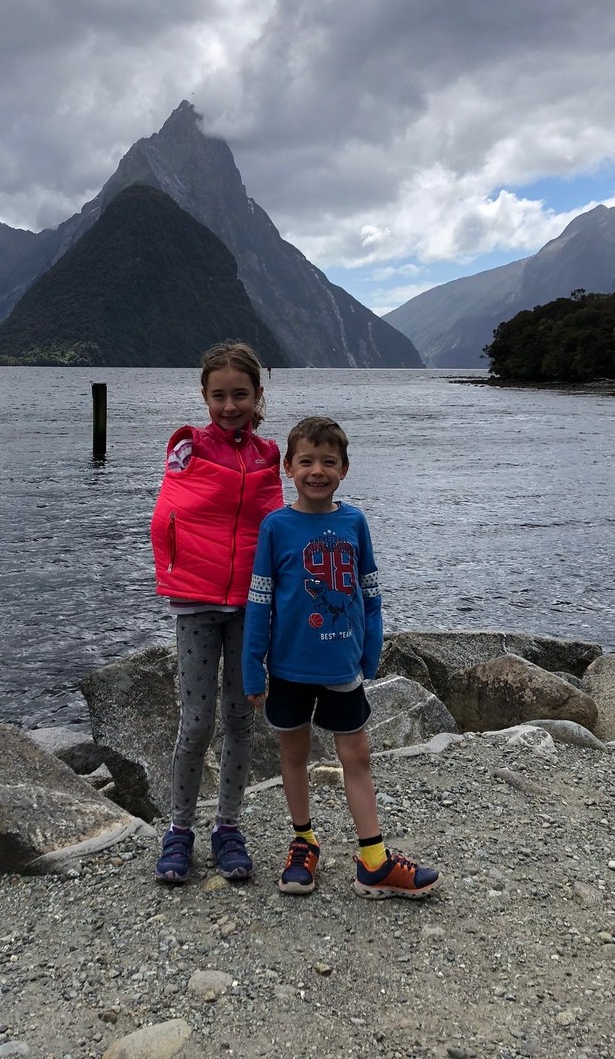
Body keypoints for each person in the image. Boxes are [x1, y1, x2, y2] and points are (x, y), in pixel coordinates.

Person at [242, 415, 441, 899]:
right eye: (306, 461)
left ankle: (373, 860)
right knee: (294, 753)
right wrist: (253, 664)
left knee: (357, 755)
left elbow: (369, 590)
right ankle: (304, 841)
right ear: (288, 466)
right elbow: (259, 599)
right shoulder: (275, 526)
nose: (317, 470)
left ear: (344, 469)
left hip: (342, 666)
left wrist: (371, 647)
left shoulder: (354, 522)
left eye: (328, 461)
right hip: (287, 668)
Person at [150, 341, 284, 884]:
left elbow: (277, 527)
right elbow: (171, 512)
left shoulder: (269, 455)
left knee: (240, 719)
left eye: (241, 395)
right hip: (197, 603)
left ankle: (228, 827)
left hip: (250, 607)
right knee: (197, 721)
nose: (230, 406)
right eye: (219, 395)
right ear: (204, 396)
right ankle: (179, 829)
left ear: (257, 396)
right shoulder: (189, 450)